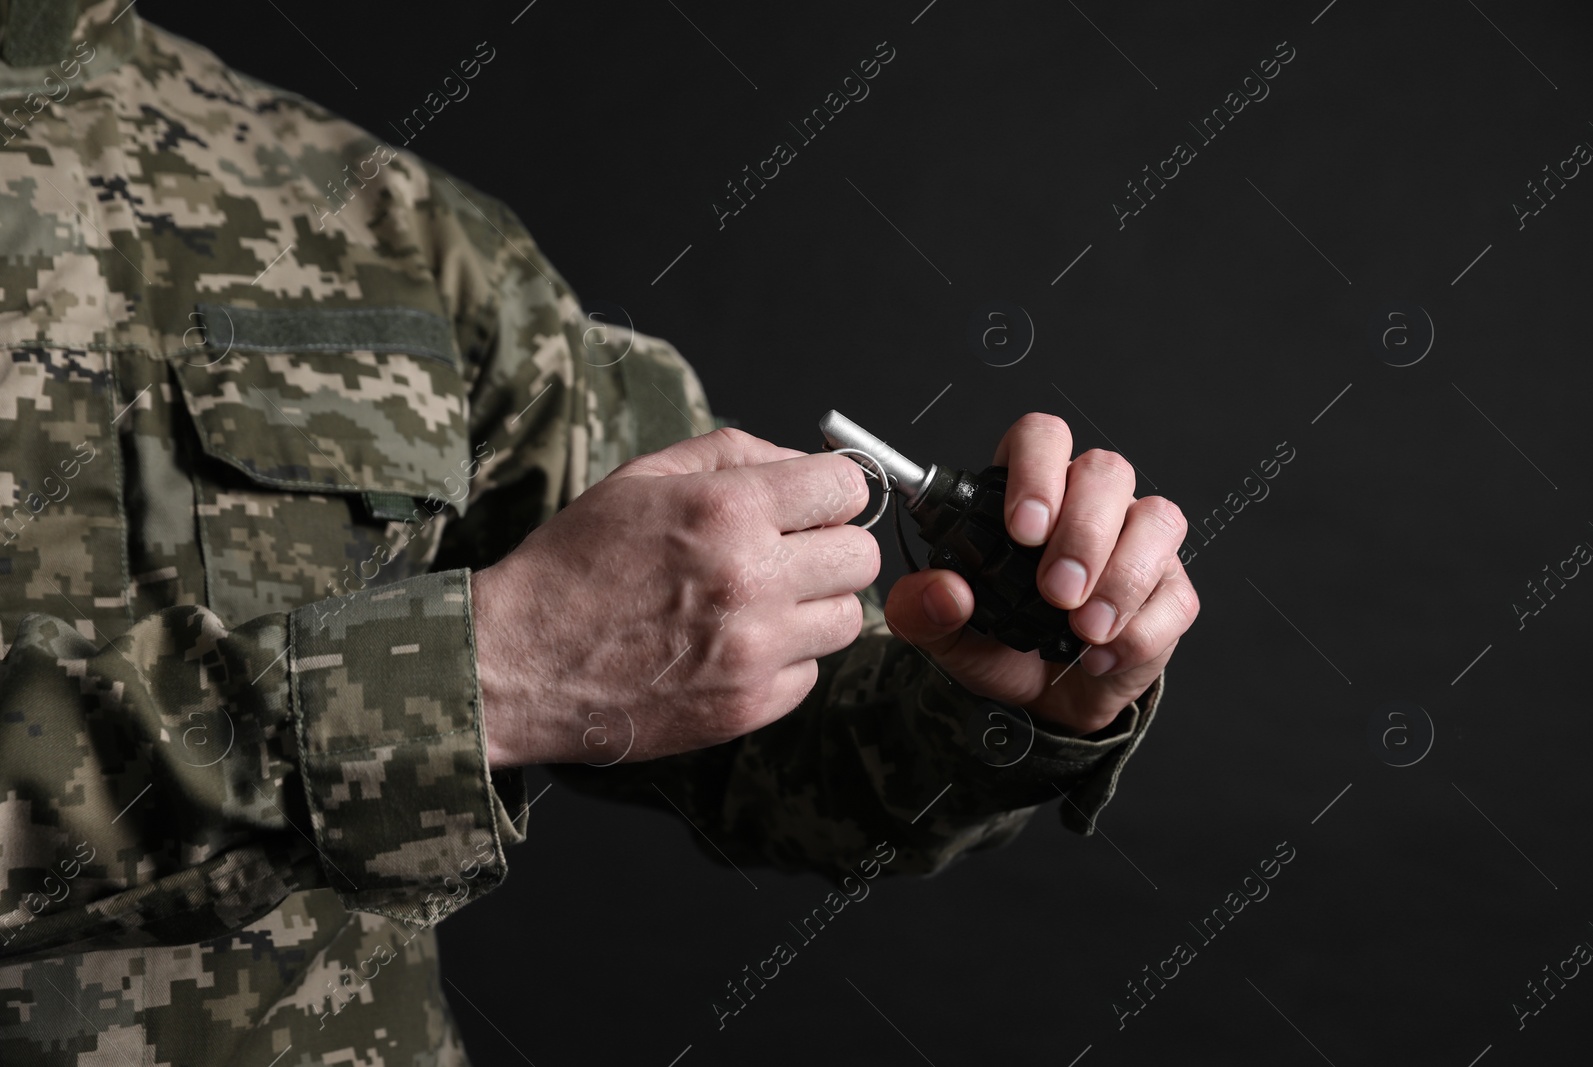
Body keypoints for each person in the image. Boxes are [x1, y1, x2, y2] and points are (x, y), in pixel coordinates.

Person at [0, 1, 1199, 1062]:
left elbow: (765, 745)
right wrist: (467, 678)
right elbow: (532, 652)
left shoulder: (384, 226)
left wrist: (1010, 693)